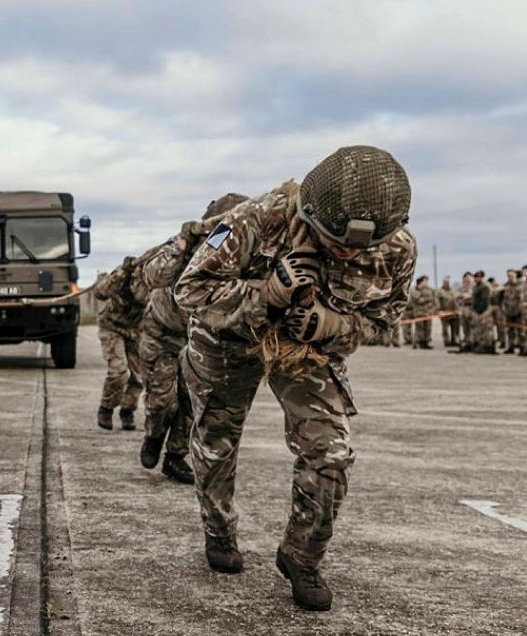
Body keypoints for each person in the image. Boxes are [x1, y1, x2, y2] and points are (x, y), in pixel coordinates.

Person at [175, 145, 417, 611]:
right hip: (230, 338)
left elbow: (384, 317)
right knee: (216, 440)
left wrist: (333, 325)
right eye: (335, 241)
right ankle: (219, 529)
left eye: (356, 247)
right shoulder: (257, 220)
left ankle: (302, 556)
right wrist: (267, 292)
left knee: (332, 452)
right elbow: (192, 290)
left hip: (307, 348)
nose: (346, 252)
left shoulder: (397, 249)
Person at [137, 193, 247, 483]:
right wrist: (182, 245)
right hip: (161, 334)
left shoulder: (242, 251)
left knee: (191, 403)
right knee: (163, 401)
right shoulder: (187, 245)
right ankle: (154, 434)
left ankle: (175, 457)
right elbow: (153, 276)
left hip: (197, 338)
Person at [93, 257, 145, 431]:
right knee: (119, 372)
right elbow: (100, 292)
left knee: (138, 377)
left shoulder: (155, 280)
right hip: (112, 327)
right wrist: (122, 272)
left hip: (136, 330)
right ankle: (106, 408)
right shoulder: (123, 277)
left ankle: (127, 411)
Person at [408, 276, 437, 349]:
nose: (426, 283)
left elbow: (433, 300)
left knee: (428, 329)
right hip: (419, 313)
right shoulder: (415, 290)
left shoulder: (430, 290)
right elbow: (418, 300)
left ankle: (426, 342)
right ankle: (419, 343)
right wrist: (428, 298)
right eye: (425, 281)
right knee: (419, 329)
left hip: (428, 313)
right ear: (421, 282)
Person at [501, 269, 524, 353]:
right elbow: (502, 298)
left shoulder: (521, 285)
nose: (510, 277)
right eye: (508, 276)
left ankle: (523, 347)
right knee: (510, 331)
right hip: (509, 311)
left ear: (515, 275)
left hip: (519, 311)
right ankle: (511, 347)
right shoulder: (506, 286)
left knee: (521, 331)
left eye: (511, 275)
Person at [437, 276, 459, 347]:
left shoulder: (453, 291)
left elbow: (456, 301)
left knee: (454, 327)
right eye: (445, 282)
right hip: (444, 312)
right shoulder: (440, 291)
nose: (447, 283)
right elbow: (437, 302)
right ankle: (446, 341)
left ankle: (454, 340)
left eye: (448, 282)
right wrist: (439, 310)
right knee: (445, 329)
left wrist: (457, 310)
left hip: (453, 313)